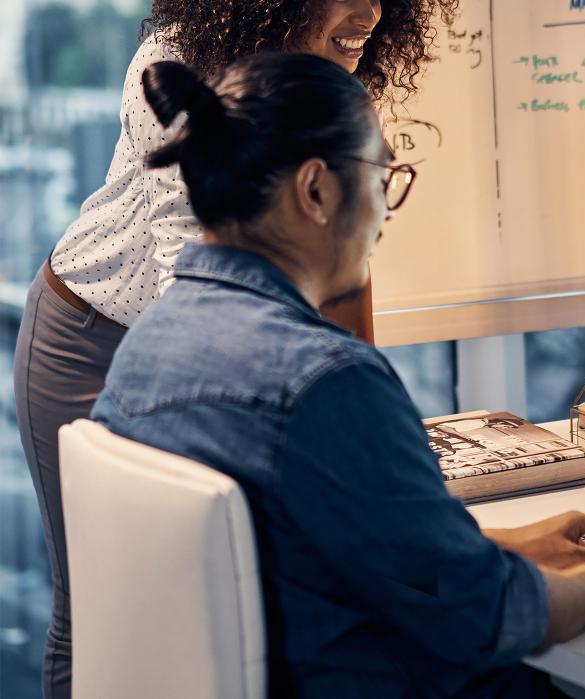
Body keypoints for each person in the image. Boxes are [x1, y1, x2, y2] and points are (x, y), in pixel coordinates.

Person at [90, 53, 585, 698]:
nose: (387, 210)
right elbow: (483, 619)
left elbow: (304, 550)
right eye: (384, 175)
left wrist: (501, 548)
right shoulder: (324, 382)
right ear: (317, 190)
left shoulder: (150, 344)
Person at [12, 2, 455, 696]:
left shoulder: (324, 76)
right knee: (96, 603)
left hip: (194, 343)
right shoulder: (178, 61)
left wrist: (358, 406)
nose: (369, 8)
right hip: (90, 335)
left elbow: (330, 246)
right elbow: (183, 263)